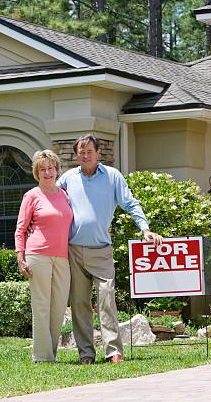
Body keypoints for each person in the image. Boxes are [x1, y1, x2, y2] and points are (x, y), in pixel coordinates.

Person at [57, 134, 163, 364]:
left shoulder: (112, 176)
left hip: (102, 250)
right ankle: (86, 353)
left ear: (98, 154)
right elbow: (51, 201)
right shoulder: (67, 179)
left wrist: (145, 228)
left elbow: (130, 203)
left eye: (89, 152)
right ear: (77, 155)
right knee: (79, 303)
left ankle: (113, 351)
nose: (85, 156)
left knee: (106, 299)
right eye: (81, 152)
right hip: (74, 249)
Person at [15, 150, 73, 363]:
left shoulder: (64, 194)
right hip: (37, 255)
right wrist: (20, 257)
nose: (47, 172)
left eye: (51, 168)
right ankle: (42, 356)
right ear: (36, 173)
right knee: (41, 306)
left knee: (58, 307)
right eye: (42, 169)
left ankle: (52, 353)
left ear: (57, 170)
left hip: (62, 257)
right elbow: (20, 229)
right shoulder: (32, 196)